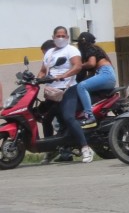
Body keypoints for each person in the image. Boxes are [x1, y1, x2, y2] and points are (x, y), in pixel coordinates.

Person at [39, 26, 92, 163]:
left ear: (67, 37)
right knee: (45, 119)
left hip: (68, 89)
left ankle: (85, 148)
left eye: (63, 35)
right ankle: (50, 150)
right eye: (58, 35)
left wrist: (64, 75)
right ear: (53, 37)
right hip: (52, 92)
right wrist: (37, 78)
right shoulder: (49, 52)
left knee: (68, 117)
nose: (60, 38)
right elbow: (43, 70)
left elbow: (77, 66)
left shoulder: (71, 50)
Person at [74, 32, 116, 128]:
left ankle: (89, 116)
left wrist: (78, 66)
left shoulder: (90, 49)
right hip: (106, 75)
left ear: (83, 42)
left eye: (79, 42)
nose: (78, 45)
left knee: (82, 86)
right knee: (82, 85)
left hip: (105, 74)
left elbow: (91, 63)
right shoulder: (95, 49)